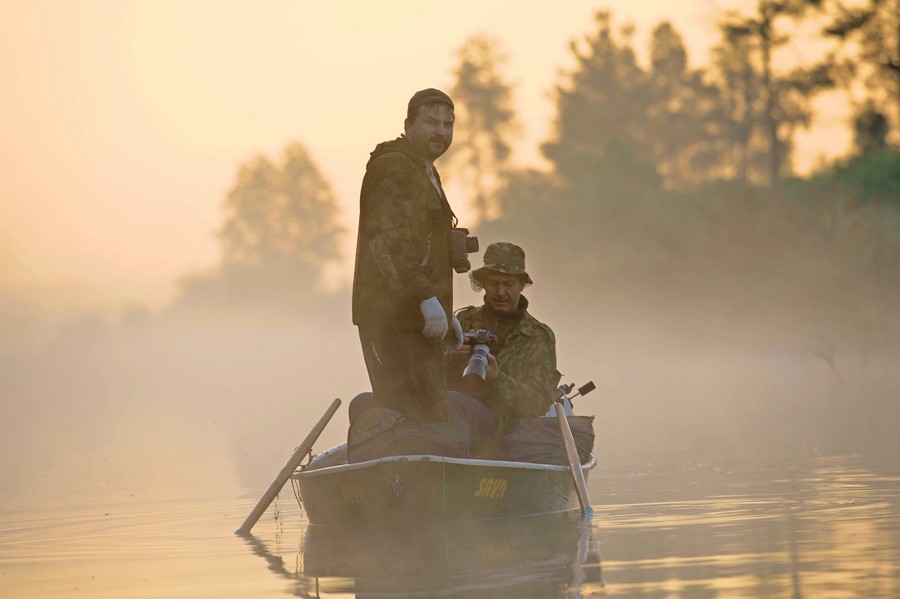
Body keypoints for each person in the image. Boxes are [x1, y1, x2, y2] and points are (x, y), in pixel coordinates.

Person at [351, 88, 466, 423]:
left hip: (416, 315)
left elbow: (426, 247)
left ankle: (419, 472)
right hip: (393, 319)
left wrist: (445, 308)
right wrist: (424, 297)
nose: (441, 132)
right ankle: (404, 475)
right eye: (431, 122)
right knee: (411, 414)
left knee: (429, 413)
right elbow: (387, 240)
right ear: (408, 125)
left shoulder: (423, 169)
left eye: (448, 124)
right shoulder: (393, 167)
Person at [446, 242, 561, 434]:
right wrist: (450, 359)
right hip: (453, 415)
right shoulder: (463, 321)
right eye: (494, 283)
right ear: (483, 284)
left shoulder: (538, 336)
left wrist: (497, 379)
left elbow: (538, 403)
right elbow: (432, 378)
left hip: (503, 428)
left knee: (455, 404)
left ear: (521, 286)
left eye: (508, 284)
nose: (500, 292)